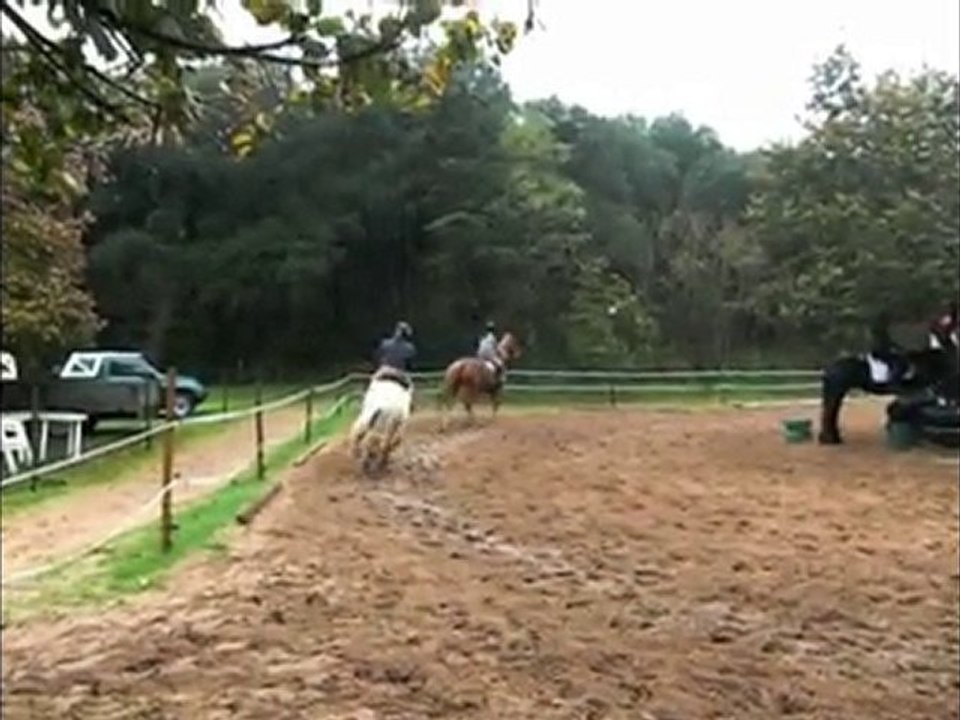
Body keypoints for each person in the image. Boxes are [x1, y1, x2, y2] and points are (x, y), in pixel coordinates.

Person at [373, 321, 416, 388]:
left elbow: (378, 358)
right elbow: (409, 365)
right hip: (399, 374)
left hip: (384, 371)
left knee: (373, 381)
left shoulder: (385, 343)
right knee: (410, 387)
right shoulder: (409, 348)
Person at [867, 310, 905, 384]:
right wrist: (897, 348)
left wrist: (898, 347)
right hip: (880, 352)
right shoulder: (880, 332)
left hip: (879, 351)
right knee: (898, 362)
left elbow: (889, 342)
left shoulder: (879, 331)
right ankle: (893, 380)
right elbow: (886, 343)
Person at [476, 320, 504, 385]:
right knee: (500, 365)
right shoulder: (493, 338)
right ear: (493, 329)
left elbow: (479, 345)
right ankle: (498, 380)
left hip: (479, 355)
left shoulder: (483, 336)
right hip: (489, 356)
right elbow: (496, 348)